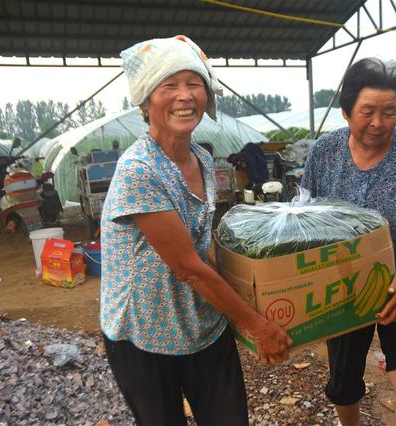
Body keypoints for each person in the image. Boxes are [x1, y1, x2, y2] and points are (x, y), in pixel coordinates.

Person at [100, 35, 291, 426]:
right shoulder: (139, 170)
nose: (184, 96)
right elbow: (187, 267)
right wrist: (255, 323)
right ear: (146, 100)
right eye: (168, 85)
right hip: (145, 333)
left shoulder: (202, 158)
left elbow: (202, 243)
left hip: (202, 322)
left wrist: (251, 298)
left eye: (194, 83)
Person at [301, 58, 396, 426]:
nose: (378, 122)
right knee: (344, 384)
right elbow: (305, 216)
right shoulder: (324, 153)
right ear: (346, 111)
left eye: (389, 112)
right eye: (367, 112)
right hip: (343, 288)